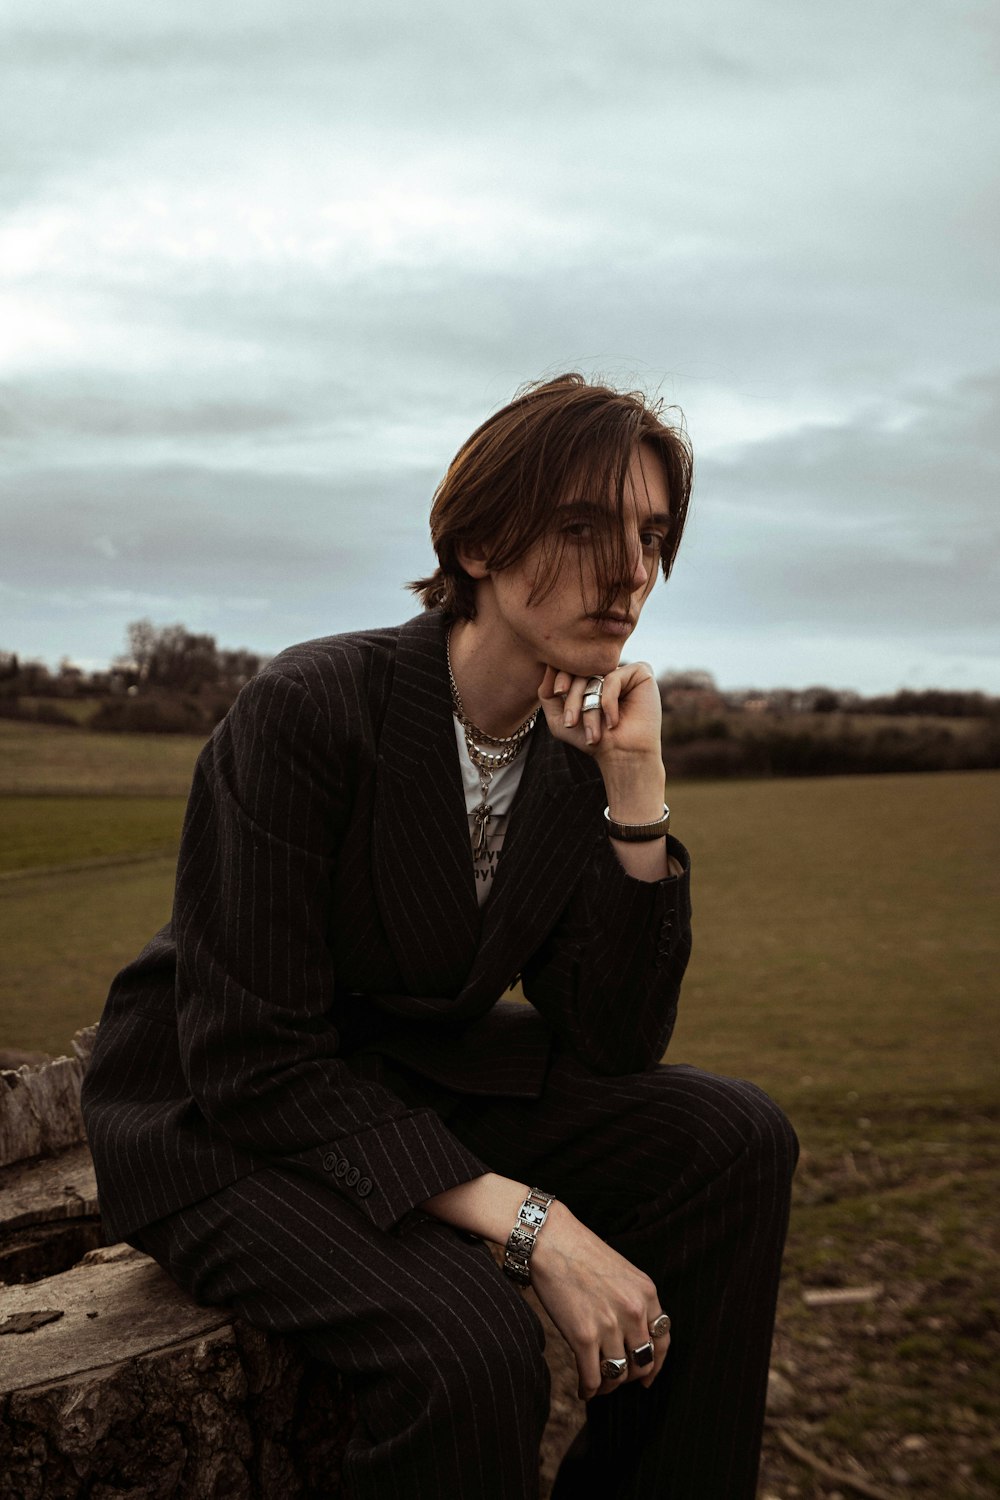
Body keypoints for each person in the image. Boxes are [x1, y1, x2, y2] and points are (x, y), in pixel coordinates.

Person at [82, 373, 798, 1500]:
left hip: (403, 1075)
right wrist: (535, 1223)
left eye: (652, 535)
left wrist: (634, 794)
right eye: (581, 527)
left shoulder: (576, 749)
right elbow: (252, 1064)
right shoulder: (312, 705)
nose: (630, 572)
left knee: (736, 1136)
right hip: (218, 1116)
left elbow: (613, 1038)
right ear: (475, 541)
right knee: (468, 1350)